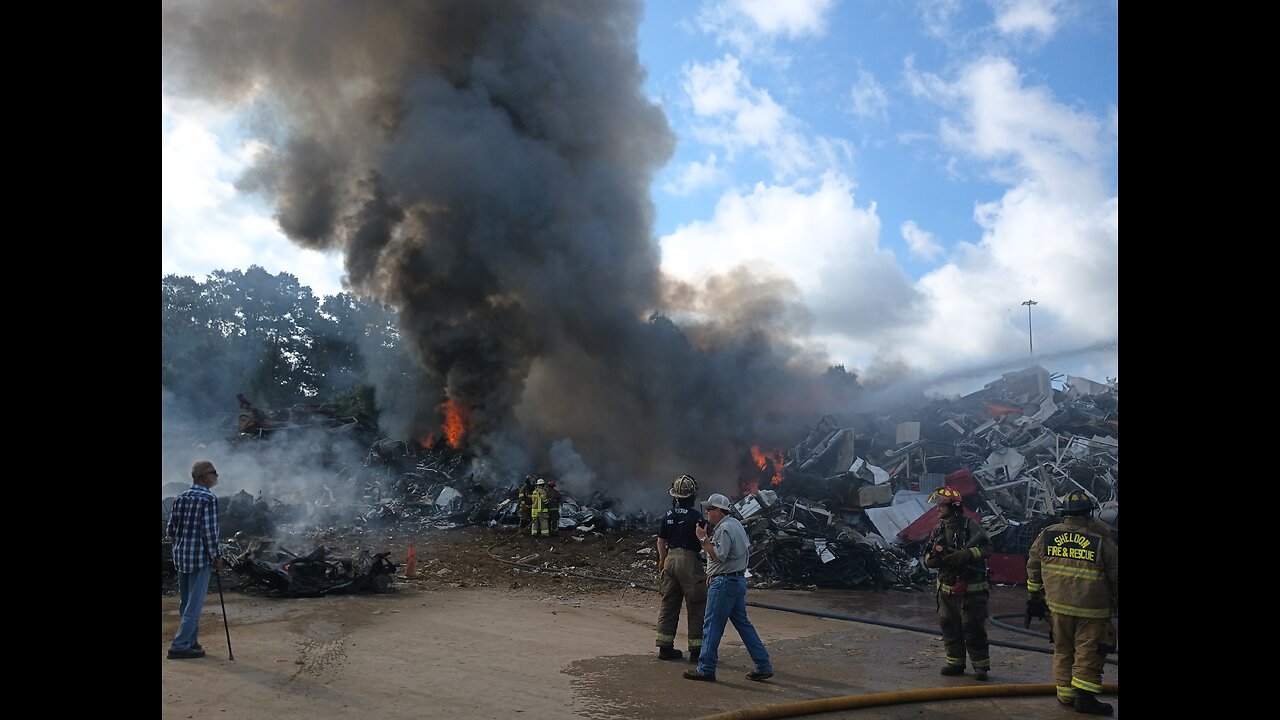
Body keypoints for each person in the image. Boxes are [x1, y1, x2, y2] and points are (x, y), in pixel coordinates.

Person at [1026, 491, 1119, 715]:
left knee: (1063, 648)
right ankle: (1085, 698)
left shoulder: (1047, 534)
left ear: (1064, 514)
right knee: (1090, 650)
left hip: (1057, 606)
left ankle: (1066, 694)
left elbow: (1033, 566)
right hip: (1092, 609)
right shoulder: (1101, 540)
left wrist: (1035, 597)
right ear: (1089, 513)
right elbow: (1116, 575)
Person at [683, 493, 772, 683]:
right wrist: (713, 573)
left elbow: (718, 555)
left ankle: (706, 668)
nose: (706, 512)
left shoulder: (723, 529)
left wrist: (702, 538)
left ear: (718, 511)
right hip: (736, 581)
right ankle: (763, 665)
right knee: (744, 625)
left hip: (724, 584)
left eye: (709, 509)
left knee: (712, 626)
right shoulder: (736, 525)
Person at [923, 486, 993, 680]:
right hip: (946, 590)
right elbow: (928, 553)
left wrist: (966, 554)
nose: (937, 509)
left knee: (973, 627)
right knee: (949, 626)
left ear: (953, 507)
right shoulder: (938, 529)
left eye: (941, 505)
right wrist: (932, 559)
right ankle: (955, 662)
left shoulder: (970, 526)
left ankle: (981, 666)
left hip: (971, 590)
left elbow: (987, 547)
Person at [166, 460, 223, 659]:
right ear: (203, 477)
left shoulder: (181, 497)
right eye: (213, 472)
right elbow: (209, 533)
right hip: (200, 558)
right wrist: (216, 555)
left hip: (181, 556)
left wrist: (181, 545)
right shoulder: (208, 498)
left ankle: (191, 640)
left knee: (186, 602)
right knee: (195, 604)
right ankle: (180, 645)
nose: (216, 475)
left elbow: (170, 530)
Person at [654, 474, 706, 662]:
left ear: (675, 497)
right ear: (692, 497)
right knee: (696, 604)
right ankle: (696, 651)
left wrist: (663, 560)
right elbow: (703, 541)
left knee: (669, 603)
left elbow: (661, 541)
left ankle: (665, 648)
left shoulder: (667, 516)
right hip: (690, 561)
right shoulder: (697, 516)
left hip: (670, 560)